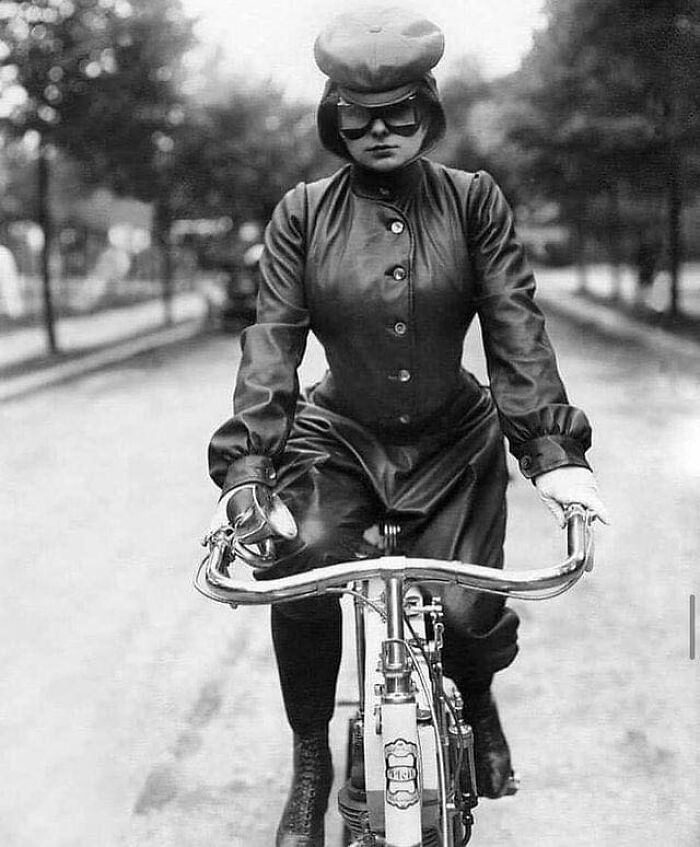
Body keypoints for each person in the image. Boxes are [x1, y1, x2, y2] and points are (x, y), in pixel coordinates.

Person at [207, 8, 609, 846]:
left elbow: (514, 325)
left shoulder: (473, 201)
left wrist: (553, 453)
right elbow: (272, 343)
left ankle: (480, 698)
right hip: (337, 439)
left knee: (468, 614)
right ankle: (310, 761)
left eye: (401, 113)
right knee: (304, 566)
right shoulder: (301, 213)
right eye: (361, 116)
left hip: (454, 439)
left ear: (428, 112)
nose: (382, 131)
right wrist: (247, 473)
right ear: (335, 118)